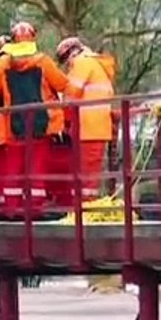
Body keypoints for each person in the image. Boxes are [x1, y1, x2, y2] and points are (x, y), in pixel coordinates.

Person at [0, 21, 69, 220]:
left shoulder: (3, 65)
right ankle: (35, 209)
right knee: (37, 168)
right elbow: (62, 84)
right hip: (41, 123)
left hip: (13, 124)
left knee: (13, 169)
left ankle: (11, 209)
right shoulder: (43, 62)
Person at [55, 36, 118, 203]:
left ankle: (85, 208)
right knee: (90, 175)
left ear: (71, 53)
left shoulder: (82, 63)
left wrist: (63, 118)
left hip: (88, 128)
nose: (67, 65)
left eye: (66, 61)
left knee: (86, 176)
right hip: (95, 127)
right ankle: (86, 207)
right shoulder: (93, 64)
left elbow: (71, 95)